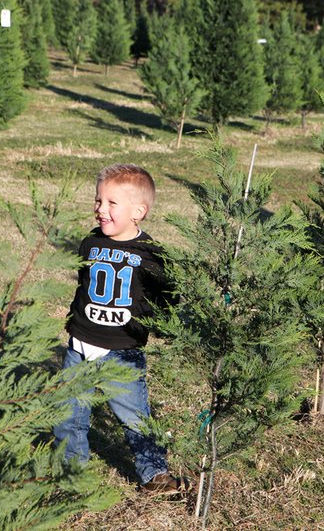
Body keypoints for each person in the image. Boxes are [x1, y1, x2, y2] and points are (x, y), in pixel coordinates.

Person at [53, 163, 188, 493]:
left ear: (138, 211)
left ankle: (154, 474)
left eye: (112, 203)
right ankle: (71, 472)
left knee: (135, 417)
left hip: (122, 352)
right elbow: (83, 286)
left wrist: (170, 324)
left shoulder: (151, 255)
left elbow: (168, 299)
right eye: (99, 201)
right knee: (69, 413)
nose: (101, 209)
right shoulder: (89, 243)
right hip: (80, 346)